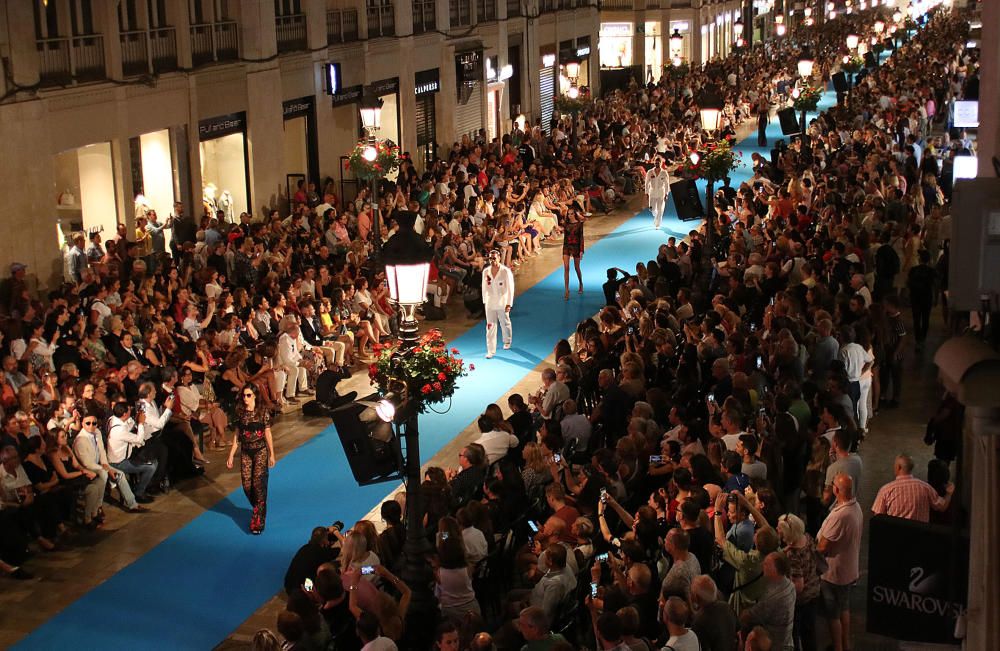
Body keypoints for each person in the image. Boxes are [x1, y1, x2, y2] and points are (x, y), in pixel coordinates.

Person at [816, 474, 863, 651]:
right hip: (849, 570)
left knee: (833, 614)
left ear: (836, 490)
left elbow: (823, 546)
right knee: (844, 607)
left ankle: (838, 646)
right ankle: (845, 643)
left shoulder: (840, 516)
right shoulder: (856, 507)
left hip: (834, 572)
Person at [227, 383, 275, 534]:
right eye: (244, 395)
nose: (245, 398)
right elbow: (236, 435)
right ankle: (259, 508)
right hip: (246, 452)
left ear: (255, 396)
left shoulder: (262, 412)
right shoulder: (240, 412)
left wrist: (272, 454)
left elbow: (267, 433)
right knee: (247, 485)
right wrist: (231, 455)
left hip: (260, 451)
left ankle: (258, 520)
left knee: (258, 484)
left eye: (249, 395)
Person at [871, 454, 953, 523]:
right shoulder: (925, 487)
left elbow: (878, 518)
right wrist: (949, 493)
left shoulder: (886, 490)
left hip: (895, 537)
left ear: (899, 467)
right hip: (919, 537)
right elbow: (942, 506)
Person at [482, 249, 514, 359]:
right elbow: (484, 287)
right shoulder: (486, 271)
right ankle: (491, 350)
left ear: (499, 258)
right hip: (490, 302)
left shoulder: (505, 271)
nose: (492, 261)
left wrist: (509, 303)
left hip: (502, 301)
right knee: (490, 326)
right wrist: (485, 301)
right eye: (490, 258)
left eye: (494, 258)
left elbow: (510, 288)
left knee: (504, 322)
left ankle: (507, 341)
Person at [562, 209, 585, 300]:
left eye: (571, 214)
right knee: (566, 267)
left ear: (575, 214)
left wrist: (581, 250)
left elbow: (581, 238)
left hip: (576, 246)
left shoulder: (579, 224)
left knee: (576, 268)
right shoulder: (566, 224)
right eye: (568, 214)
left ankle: (581, 283)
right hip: (567, 246)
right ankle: (567, 290)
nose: (570, 215)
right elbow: (565, 237)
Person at [645, 156, 671, 230]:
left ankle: (658, 224)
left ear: (661, 163)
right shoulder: (650, 172)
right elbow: (646, 183)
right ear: (654, 163)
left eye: (658, 163)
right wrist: (646, 193)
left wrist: (666, 194)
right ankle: (655, 216)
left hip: (661, 192)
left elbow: (667, 184)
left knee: (660, 209)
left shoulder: (664, 172)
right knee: (652, 209)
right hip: (652, 192)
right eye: (655, 162)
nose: (657, 164)